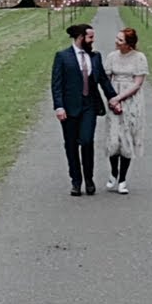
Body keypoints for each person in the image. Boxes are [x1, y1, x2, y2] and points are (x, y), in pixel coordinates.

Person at [51, 23, 119, 196]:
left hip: (89, 105)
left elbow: (103, 80)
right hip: (69, 108)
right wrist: (59, 106)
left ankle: (89, 178)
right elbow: (56, 85)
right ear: (81, 37)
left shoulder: (95, 57)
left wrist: (114, 98)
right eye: (90, 37)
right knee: (71, 145)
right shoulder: (62, 57)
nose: (93, 40)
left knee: (87, 142)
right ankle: (76, 181)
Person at [104, 27, 149, 194]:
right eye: (117, 38)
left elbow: (138, 83)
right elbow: (106, 80)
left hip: (131, 100)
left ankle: (122, 179)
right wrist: (112, 98)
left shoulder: (139, 58)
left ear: (129, 44)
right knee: (113, 139)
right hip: (113, 98)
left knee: (126, 139)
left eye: (120, 40)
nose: (117, 42)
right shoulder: (111, 57)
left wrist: (120, 97)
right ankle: (113, 173)